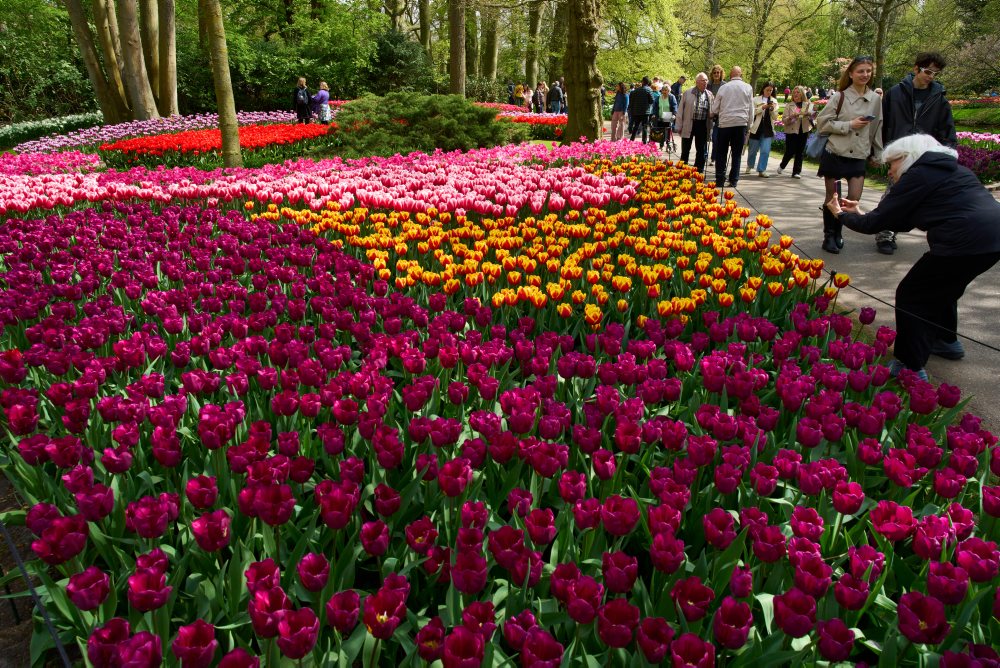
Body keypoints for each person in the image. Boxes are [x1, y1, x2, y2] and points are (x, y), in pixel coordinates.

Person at [826, 134, 1000, 378]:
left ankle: (909, 366)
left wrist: (841, 215)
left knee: (912, 294)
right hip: (992, 240)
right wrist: (858, 212)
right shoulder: (953, 171)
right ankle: (946, 341)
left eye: (893, 164)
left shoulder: (918, 174)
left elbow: (875, 224)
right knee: (944, 288)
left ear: (908, 159)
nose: (890, 171)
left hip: (960, 241)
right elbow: (898, 220)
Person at [875, 52, 958, 255]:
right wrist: (879, 151)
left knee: (927, 197)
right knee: (894, 193)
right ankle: (885, 234)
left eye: (935, 73)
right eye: (928, 71)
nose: (931, 76)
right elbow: (882, 124)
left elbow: (947, 129)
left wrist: (949, 153)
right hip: (900, 151)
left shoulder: (939, 98)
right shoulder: (895, 93)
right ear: (916, 69)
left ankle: (943, 237)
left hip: (925, 154)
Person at [815, 55, 882, 254]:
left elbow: (878, 127)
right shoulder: (839, 96)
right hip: (835, 152)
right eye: (860, 71)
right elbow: (822, 123)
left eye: (868, 71)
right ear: (851, 74)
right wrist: (849, 125)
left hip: (859, 155)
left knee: (852, 199)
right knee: (833, 197)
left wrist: (877, 154)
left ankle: (839, 232)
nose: (865, 75)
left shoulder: (876, 99)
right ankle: (829, 235)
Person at [711, 66, 754, 189]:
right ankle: (734, 179)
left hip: (725, 124)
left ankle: (719, 178)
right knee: (736, 154)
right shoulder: (748, 87)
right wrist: (749, 125)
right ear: (741, 75)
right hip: (740, 124)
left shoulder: (724, 87)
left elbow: (714, 108)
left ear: (730, 75)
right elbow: (751, 108)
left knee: (721, 153)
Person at [677, 72, 714, 173]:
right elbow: (680, 110)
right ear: (697, 82)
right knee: (685, 149)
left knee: (701, 150)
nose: (705, 82)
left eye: (706, 80)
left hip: (702, 124)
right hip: (689, 123)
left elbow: (712, 111)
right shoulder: (688, 93)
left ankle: (698, 171)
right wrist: (679, 126)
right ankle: (681, 171)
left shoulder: (709, 94)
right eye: (703, 80)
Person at [775, 86, 814, 178]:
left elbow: (814, 117)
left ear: (802, 94)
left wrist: (809, 114)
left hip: (803, 130)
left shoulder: (808, 104)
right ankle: (782, 165)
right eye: (794, 92)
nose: (796, 94)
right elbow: (784, 120)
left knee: (800, 152)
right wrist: (791, 117)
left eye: (798, 92)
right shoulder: (789, 105)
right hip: (791, 131)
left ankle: (796, 172)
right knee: (790, 151)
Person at [746, 81, 779, 178]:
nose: (769, 92)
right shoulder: (755, 99)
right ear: (763, 89)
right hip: (756, 128)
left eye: (771, 90)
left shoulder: (774, 101)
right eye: (767, 90)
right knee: (752, 150)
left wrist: (772, 109)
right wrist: (763, 107)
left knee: (765, 150)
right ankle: (750, 165)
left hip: (768, 129)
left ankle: (762, 169)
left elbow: (775, 117)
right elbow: (752, 113)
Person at [707, 65, 726, 165]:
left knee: (716, 138)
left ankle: (714, 158)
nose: (716, 74)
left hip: (720, 114)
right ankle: (706, 155)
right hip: (709, 113)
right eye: (714, 73)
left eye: (718, 72)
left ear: (721, 73)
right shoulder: (708, 85)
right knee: (707, 137)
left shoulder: (725, 85)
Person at [629, 77, 655, 143]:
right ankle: (644, 141)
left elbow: (631, 101)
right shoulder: (649, 90)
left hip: (636, 111)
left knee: (636, 126)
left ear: (642, 82)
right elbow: (652, 101)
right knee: (644, 127)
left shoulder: (636, 90)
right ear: (648, 82)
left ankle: (632, 140)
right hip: (645, 112)